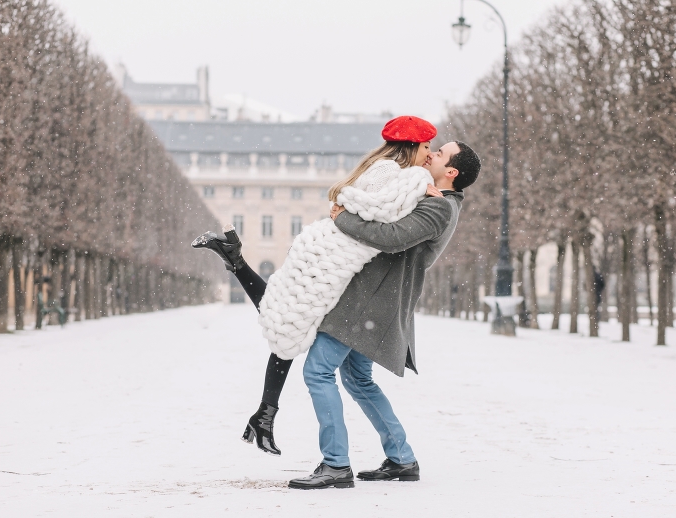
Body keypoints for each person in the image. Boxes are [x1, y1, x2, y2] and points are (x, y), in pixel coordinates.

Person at [192, 116, 441, 457]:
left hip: (329, 245)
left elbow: (360, 203)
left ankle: (264, 414)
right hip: (335, 251)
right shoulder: (397, 173)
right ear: (410, 147)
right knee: (290, 321)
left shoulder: (382, 167)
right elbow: (374, 209)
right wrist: (420, 189)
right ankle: (234, 260)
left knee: (287, 315)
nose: (429, 155)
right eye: (426, 147)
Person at [287, 140, 480, 490]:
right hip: (378, 301)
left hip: (369, 302)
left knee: (317, 371)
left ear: (451, 171)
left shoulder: (439, 207)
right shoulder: (433, 196)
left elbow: (392, 238)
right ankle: (401, 459)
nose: (431, 153)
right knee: (358, 379)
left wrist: (345, 219)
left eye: (440, 153)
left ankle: (336, 465)